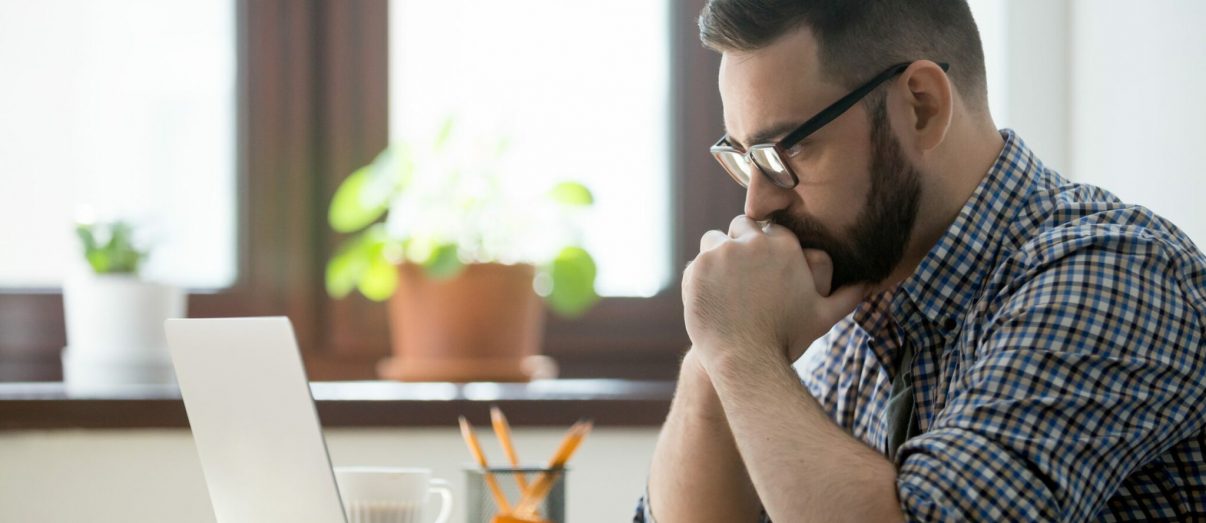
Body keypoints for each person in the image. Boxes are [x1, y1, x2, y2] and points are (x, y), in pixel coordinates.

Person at [637, 0, 1206, 521]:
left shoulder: (1111, 273)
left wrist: (743, 352)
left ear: (921, 107)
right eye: (744, 158)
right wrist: (716, 349)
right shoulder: (865, 312)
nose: (757, 202)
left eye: (789, 151)